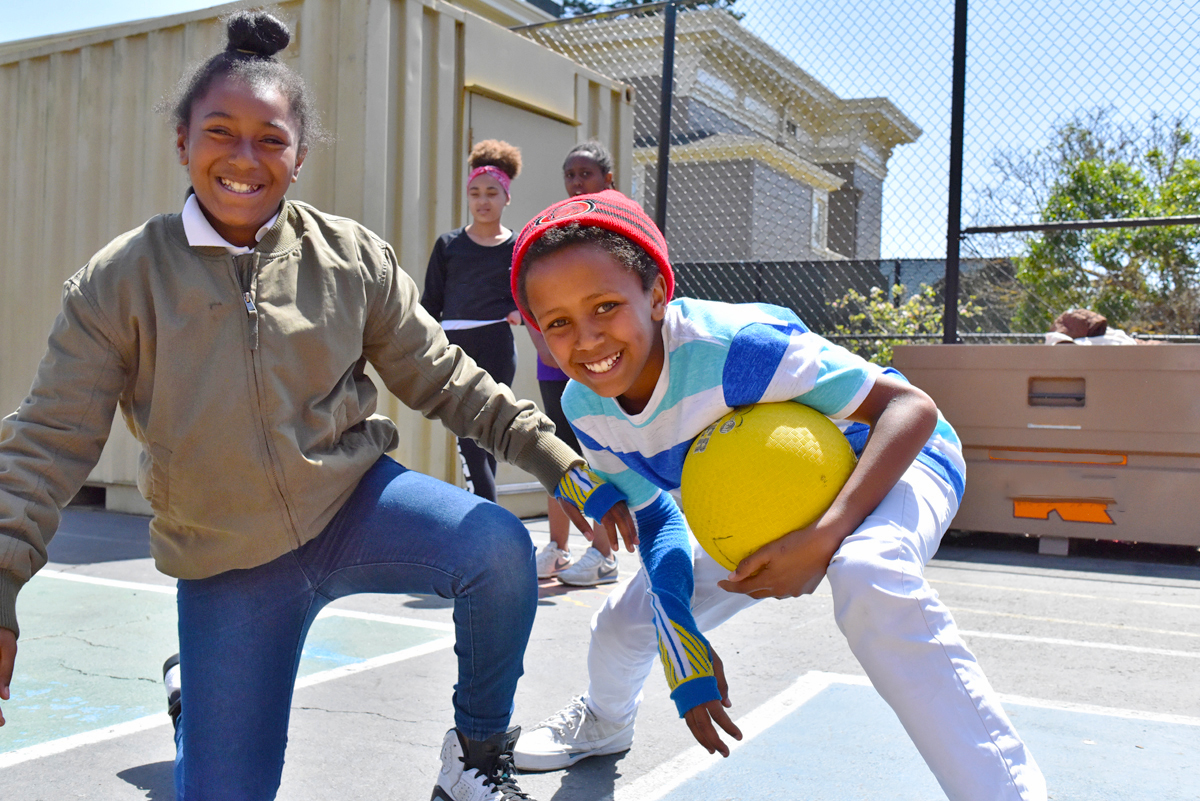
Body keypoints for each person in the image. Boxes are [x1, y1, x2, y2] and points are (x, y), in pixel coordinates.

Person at [0, 13, 633, 801]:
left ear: (300, 157)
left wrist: (560, 463)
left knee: (498, 549)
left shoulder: (350, 258)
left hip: (354, 507)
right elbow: (48, 438)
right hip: (228, 555)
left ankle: (474, 757)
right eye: (220, 132)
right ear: (182, 141)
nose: (245, 158)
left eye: (272, 139)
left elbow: (445, 376)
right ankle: (196, 699)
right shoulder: (121, 279)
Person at [506, 190, 1048, 801]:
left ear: (656, 295)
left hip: (891, 458)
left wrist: (825, 536)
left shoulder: (735, 349)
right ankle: (605, 722)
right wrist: (684, 650)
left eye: (605, 306)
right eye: (558, 323)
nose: (586, 339)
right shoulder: (586, 406)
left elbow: (909, 409)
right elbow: (660, 523)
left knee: (869, 573)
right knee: (624, 623)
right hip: (763, 500)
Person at [530, 141, 620, 586]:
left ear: (608, 179)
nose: (577, 182)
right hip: (555, 369)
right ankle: (558, 547)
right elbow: (530, 298)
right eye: (570, 174)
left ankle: (604, 554)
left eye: (586, 174)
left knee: (596, 456)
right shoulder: (554, 231)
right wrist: (544, 343)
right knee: (558, 455)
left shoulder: (618, 231)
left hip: (601, 364)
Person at [421, 139, 525, 503]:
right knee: (468, 435)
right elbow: (429, 304)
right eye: (475, 192)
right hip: (456, 349)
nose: (483, 201)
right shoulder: (449, 245)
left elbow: (529, 294)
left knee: (489, 436)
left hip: (497, 346)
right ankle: (489, 511)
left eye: (492, 193)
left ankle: (485, 514)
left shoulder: (517, 247)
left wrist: (519, 310)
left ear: (506, 197)